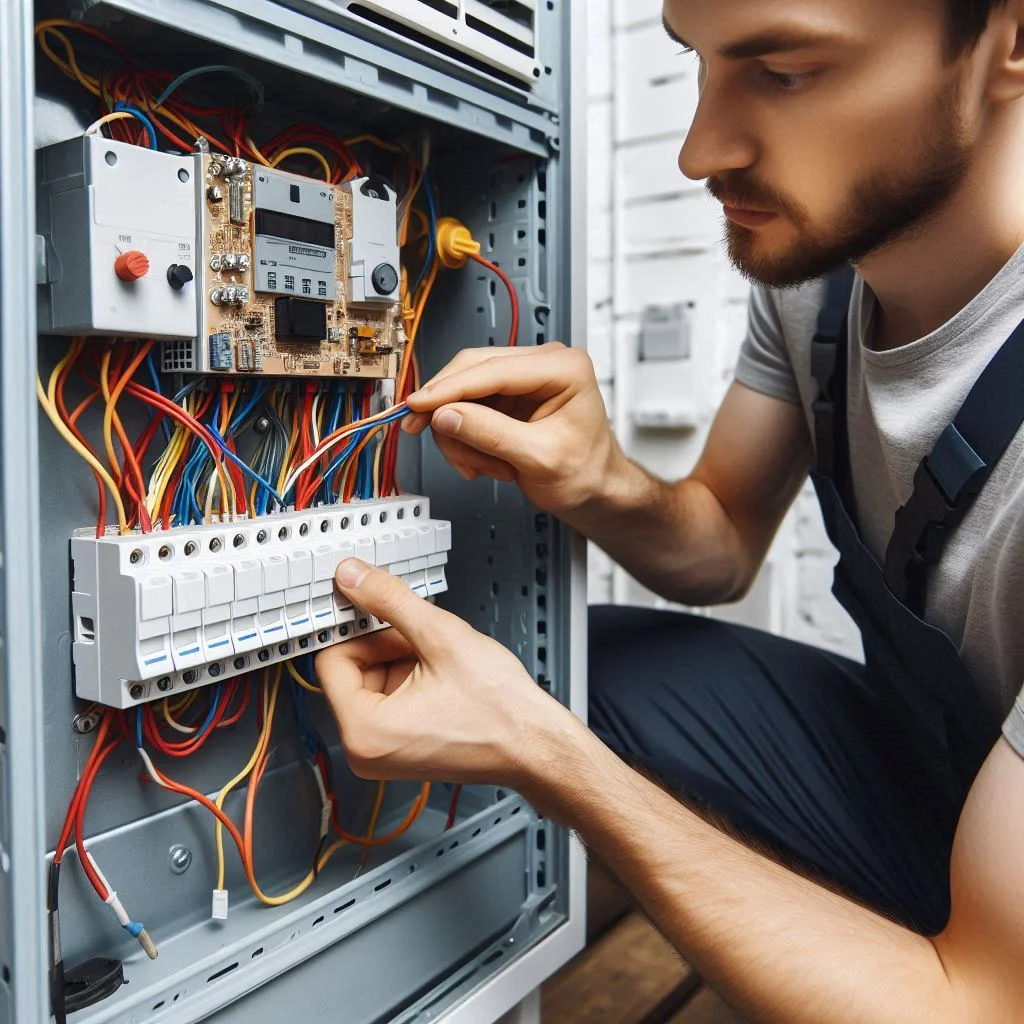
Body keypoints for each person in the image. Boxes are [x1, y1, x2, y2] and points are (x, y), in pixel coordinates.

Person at [316, 0, 1024, 1018]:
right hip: (946, 777)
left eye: (782, 72)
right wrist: (603, 478)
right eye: (697, 62)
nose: (701, 151)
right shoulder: (816, 282)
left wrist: (544, 753)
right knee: (577, 664)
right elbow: (720, 544)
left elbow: (982, 1006)